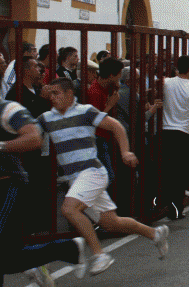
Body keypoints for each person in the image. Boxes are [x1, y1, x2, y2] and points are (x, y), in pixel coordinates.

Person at [38, 77, 168, 274]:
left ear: (69, 94)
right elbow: (29, 133)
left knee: (69, 209)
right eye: (51, 94)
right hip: (75, 179)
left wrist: (125, 152)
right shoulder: (47, 118)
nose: (53, 98)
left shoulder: (85, 111)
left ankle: (100, 254)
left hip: (92, 172)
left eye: (57, 93)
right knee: (111, 222)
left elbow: (115, 126)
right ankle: (155, 234)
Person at [0, 97, 89, 287]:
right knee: (7, 259)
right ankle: (66, 248)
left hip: (7, 185)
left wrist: (0, 146)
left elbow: (33, 138)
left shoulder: (7, 109)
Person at [161, 55, 189, 219]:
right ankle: (176, 209)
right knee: (180, 172)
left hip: (166, 131)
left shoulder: (165, 83)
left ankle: (162, 202)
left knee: (166, 170)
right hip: (183, 133)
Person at [86, 58, 124, 184]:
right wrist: (110, 105)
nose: (120, 76)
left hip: (105, 136)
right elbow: (95, 119)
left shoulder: (106, 87)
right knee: (107, 177)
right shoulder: (94, 91)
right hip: (97, 138)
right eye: (119, 73)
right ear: (112, 75)